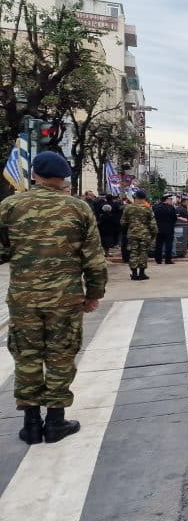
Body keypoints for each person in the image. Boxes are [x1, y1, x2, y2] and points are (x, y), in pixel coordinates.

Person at [0, 152, 108, 445]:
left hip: (24, 299)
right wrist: (94, 294)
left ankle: (31, 424)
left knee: (27, 356)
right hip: (66, 299)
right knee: (61, 355)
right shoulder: (79, 209)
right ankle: (56, 423)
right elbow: (94, 260)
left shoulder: (9, 206)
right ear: (64, 178)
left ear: (33, 174)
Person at [121, 190, 158, 281]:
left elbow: (123, 222)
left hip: (132, 233)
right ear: (144, 198)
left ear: (135, 197)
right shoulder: (148, 209)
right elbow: (153, 225)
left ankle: (134, 274)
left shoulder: (128, 208)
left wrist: (130, 227)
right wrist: (153, 234)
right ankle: (142, 273)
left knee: (133, 252)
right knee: (143, 252)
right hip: (145, 234)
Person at [152, 194, 179, 264]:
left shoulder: (156, 207)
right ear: (166, 200)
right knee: (168, 245)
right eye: (170, 199)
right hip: (169, 229)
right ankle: (168, 260)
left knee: (158, 244)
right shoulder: (171, 208)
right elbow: (174, 219)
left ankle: (158, 259)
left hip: (158, 229)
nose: (171, 201)